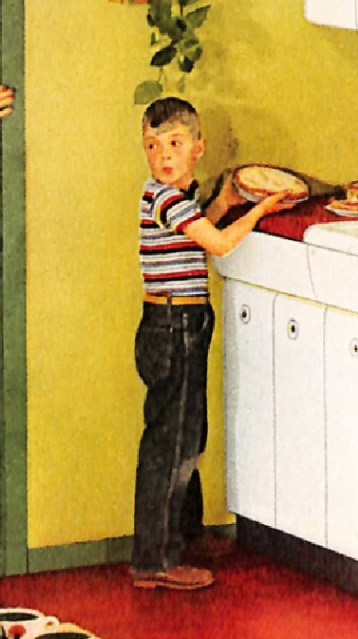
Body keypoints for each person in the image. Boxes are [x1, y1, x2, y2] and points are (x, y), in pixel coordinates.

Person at [130, 97, 293, 591]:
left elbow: (206, 220)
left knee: (184, 436)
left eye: (174, 144)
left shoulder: (176, 201)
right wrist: (263, 208)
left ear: (196, 148)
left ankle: (181, 536)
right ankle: (155, 559)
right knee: (174, 444)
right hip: (174, 326)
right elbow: (218, 243)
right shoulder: (166, 199)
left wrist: (228, 200)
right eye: (153, 146)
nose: (163, 155)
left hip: (177, 325)